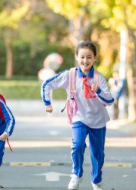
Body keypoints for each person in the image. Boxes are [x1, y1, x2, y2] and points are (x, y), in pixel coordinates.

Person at [41, 41, 114, 190]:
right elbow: (47, 84)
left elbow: (110, 100)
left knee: (98, 153)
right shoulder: (70, 75)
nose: (85, 61)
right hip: (79, 117)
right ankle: (76, 174)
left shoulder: (99, 78)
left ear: (95, 58)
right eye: (82, 57)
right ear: (76, 57)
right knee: (77, 145)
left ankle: (96, 181)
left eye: (89, 57)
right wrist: (47, 103)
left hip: (98, 120)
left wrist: (98, 91)